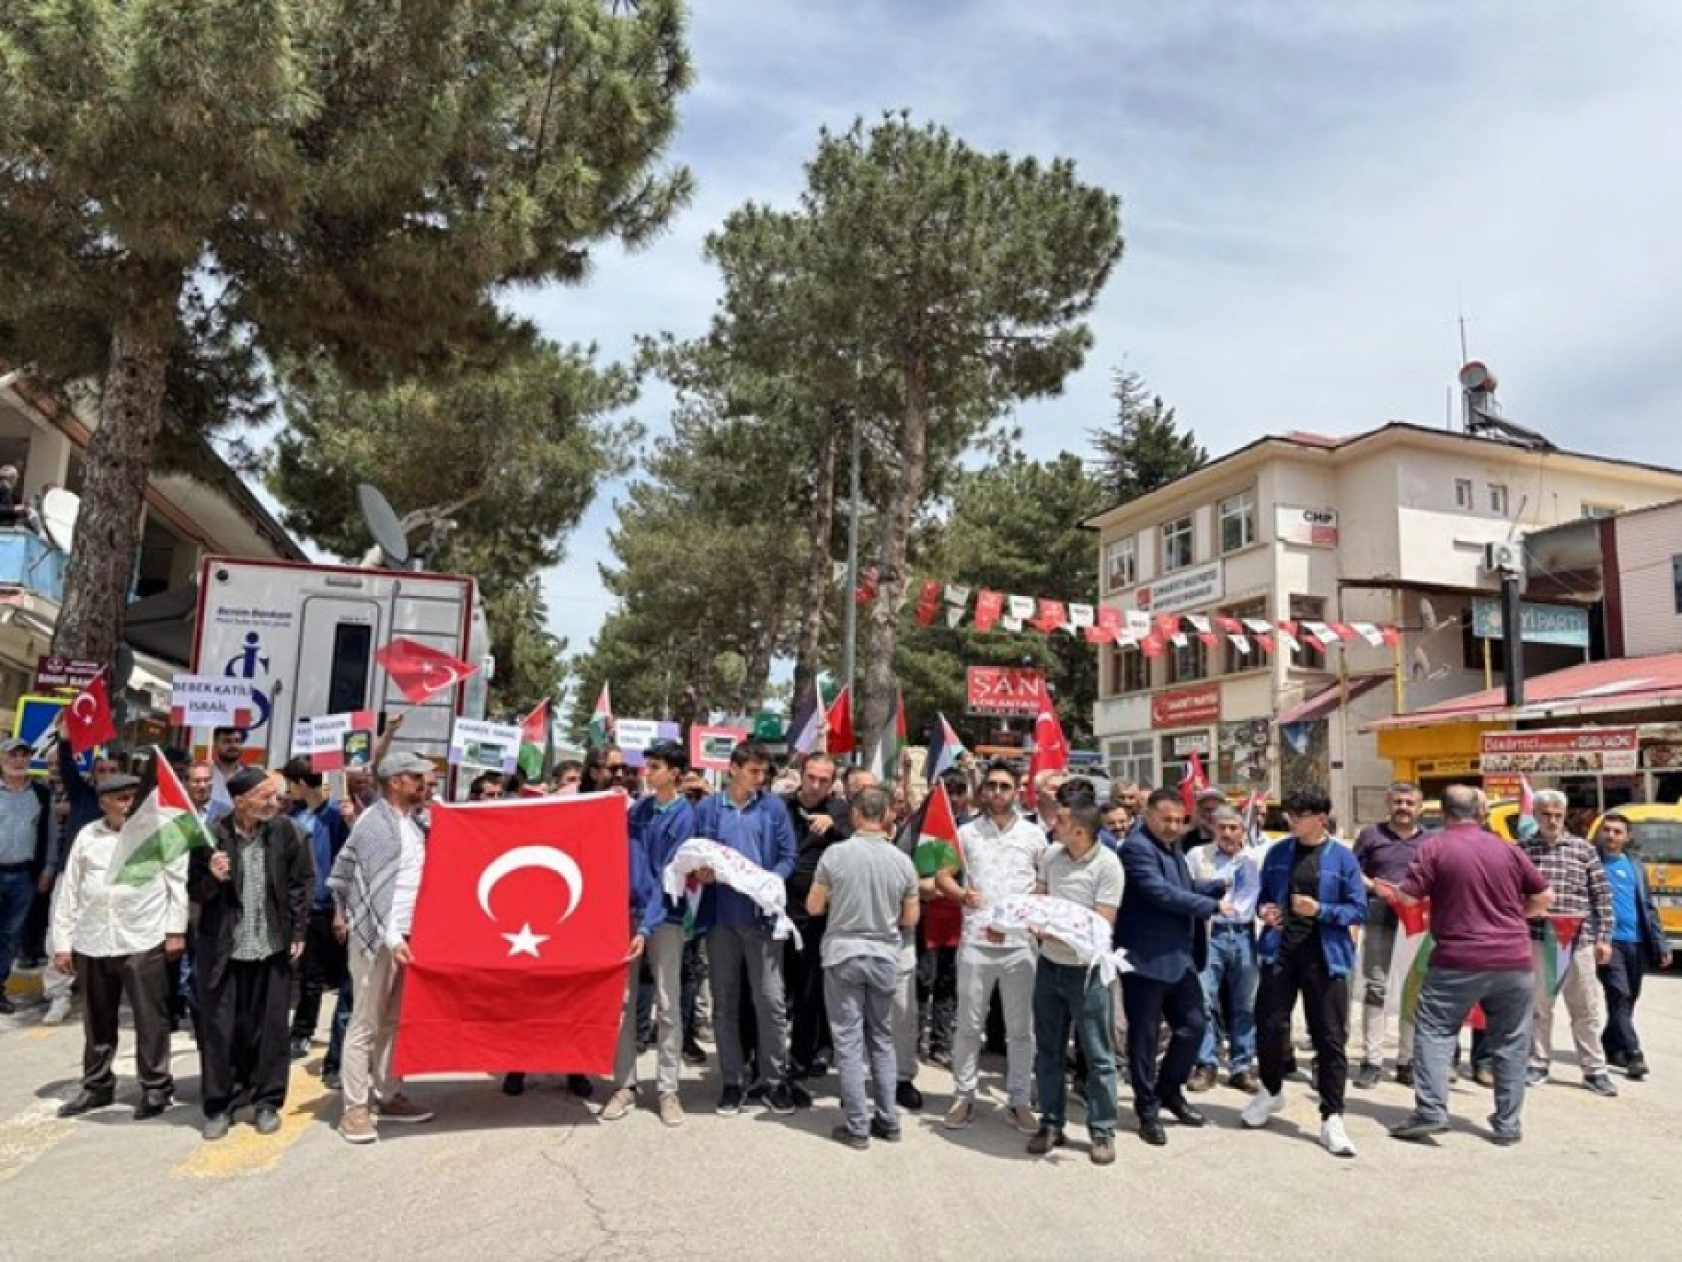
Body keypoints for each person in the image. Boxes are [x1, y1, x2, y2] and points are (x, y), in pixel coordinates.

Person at [1389, 785, 1553, 1147]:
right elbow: (1544, 897)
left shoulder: (1433, 847)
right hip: (1514, 959)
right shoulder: (1508, 848)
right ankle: (1508, 1124)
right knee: (1511, 1041)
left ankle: (1431, 1111)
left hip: (1456, 960)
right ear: (1479, 812)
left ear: (1443, 812)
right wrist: (1512, 919)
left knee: (1434, 1030)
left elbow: (1408, 895)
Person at [50, 775, 186, 1119]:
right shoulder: (87, 836)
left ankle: (155, 1087)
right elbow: (70, 891)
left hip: (142, 937)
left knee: (149, 1017)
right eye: (121, 798)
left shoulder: (158, 833)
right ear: (103, 803)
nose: (128, 804)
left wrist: (175, 931)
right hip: (94, 939)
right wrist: (63, 943)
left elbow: (177, 885)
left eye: (133, 797)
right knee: (97, 1020)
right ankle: (96, 1086)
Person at [1241, 786, 1366, 1157]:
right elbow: (1263, 895)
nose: (1290, 820)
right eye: (1289, 814)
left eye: (1298, 815)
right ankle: (1271, 1090)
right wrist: (1266, 910)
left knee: (1329, 1037)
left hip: (1325, 957)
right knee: (1268, 1024)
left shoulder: (1343, 858)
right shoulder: (1278, 852)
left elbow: (1358, 909)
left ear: (1320, 818)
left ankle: (1332, 1116)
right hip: (1280, 952)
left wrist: (1321, 911)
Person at [191, 766, 313, 1140]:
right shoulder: (210, 838)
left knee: (271, 1029)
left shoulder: (287, 833)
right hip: (225, 951)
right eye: (265, 796)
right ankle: (219, 1105)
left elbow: (300, 885)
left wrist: (297, 931)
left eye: (275, 795)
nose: (275, 802)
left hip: (271, 946)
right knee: (221, 1030)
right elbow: (194, 893)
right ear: (241, 801)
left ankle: (267, 1101)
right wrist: (212, 876)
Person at [328, 752, 437, 1144]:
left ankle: (389, 1094)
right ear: (395, 782)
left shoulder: (415, 823)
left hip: (409, 937)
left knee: (393, 1021)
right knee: (364, 1024)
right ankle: (355, 1108)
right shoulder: (374, 824)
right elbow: (368, 891)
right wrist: (391, 938)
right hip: (377, 938)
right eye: (416, 779)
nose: (423, 786)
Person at [807, 786, 920, 1149]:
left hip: (843, 952)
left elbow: (813, 907)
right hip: (885, 954)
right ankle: (888, 1119)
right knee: (882, 1039)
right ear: (887, 814)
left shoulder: (834, 856)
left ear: (855, 814)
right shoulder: (903, 861)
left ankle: (857, 1125)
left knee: (848, 1041)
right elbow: (911, 917)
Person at [1117, 789, 1231, 1147]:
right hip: (1146, 959)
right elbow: (1159, 892)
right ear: (1148, 815)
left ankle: (1169, 1090)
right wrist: (1209, 906)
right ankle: (1146, 1109)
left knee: (1194, 1027)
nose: (1172, 826)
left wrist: (1215, 886)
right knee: (1144, 1039)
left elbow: (1180, 885)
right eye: (1165, 819)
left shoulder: (1173, 847)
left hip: (1180, 958)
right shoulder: (1136, 848)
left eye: (1178, 821)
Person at [692, 740, 798, 1116]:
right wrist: (699, 872)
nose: (760, 778)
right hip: (720, 920)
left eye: (764, 773)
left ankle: (773, 1079)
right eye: (753, 771)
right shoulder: (707, 809)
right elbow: (696, 854)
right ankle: (732, 1081)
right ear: (733, 768)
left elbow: (789, 856)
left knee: (770, 1002)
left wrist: (773, 881)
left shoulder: (772, 808)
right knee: (724, 1003)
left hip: (763, 920)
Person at [941, 760, 1045, 1133]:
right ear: (982, 790)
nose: (997, 792)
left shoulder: (1035, 836)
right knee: (969, 1024)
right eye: (992, 786)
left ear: (1017, 790)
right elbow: (942, 876)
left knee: (1021, 1028)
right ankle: (964, 1094)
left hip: (1019, 945)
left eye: (1004, 786)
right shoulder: (966, 833)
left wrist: (1025, 917)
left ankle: (1018, 1099)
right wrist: (960, 894)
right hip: (976, 942)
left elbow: (1044, 883)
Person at [1028, 802, 1125, 1165]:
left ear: (1080, 832)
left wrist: (1051, 929)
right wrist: (1032, 917)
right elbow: (1038, 897)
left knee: (1099, 1054)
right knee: (1049, 1049)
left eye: (1061, 821)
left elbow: (1101, 924)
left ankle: (1102, 1131)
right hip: (1049, 965)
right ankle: (1051, 1123)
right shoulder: (1052, 856)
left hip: (1087, 972)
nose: (1053, 825)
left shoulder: (1108, 866)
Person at [1520, 790, 1616, 1095]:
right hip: (1537, 940)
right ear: (1535, 815)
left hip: (1580, 942)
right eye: (1546, 814)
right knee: (1539, 1007)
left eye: (1557, 815)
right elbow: (1512, 895)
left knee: (1585, 1007)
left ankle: (1594, 1069)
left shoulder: (1583, 850)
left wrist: (1604, 939)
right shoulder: (1522, 851)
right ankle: (1538, 1063)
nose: (1552, 820)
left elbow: (1602, 897)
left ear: (1565, 815)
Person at [623, 739, 699, 1126]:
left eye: (654, 766)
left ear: (674, 773)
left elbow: (667, 875)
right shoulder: (636, 811)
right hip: (629, 918)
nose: (646, 772)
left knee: (667, 1005)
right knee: (624, 1002)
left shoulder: (686, 816)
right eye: (646, 765)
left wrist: (648, 924)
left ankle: (668, 1090)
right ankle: (624, 1084)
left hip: (665, 919)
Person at [1352, 781, 1429, 1088]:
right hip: (1379, 918)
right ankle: (1371, 1060)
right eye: (1398, 802)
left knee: (1413, 990)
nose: (1404, 808)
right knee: (1376, 986)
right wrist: (1375, 886)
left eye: (1410, 803)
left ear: (1420, 807)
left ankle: (1406, 1060)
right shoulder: (1370, 836)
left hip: (1415, 923)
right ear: (1388, 803)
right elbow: (1352, 872)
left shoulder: (1431, 841)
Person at [782, 752, 851, 1080]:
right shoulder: (779, 806)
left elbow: (858, 840)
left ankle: (801, 1060)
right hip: (778, 912)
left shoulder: (841, 810)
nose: (816, 785)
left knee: (810, 992)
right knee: (774, 990)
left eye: (824, 779)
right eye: (811, 777)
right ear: (801, 774)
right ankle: (766, 1059)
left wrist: (834, 825)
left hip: (817, 918)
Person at [283, 758, 352, 1078]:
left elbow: (344, 862)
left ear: (300, 784)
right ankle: (302, 1030)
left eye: (290, 784)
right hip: (303, 907)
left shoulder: (335, 816)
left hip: (330, 906)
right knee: (308, 976)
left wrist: (340, 908)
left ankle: (341, 1046)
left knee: (340, 977)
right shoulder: (293, 816)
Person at [1186, 806, 1261, 1093]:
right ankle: (1206, 1063)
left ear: (1243, 830)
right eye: (1223, 827)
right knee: (1203, 1000)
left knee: (1245, 1003)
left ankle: (1242, 1066)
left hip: (1244, 934)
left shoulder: (1254, 858)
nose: (1228, 833)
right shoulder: (1197, 856)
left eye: (1234, 827)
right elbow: (1187, 890)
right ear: (1213, 829)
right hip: (1210, 933)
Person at [1594, 813, 1671, 1082]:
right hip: (1607, 942)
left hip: (1637, 942)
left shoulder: (1635, 866)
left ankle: (1610, 1044)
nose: (1611, 836)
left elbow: (1648, 907)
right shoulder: (1591, 863)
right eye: (1607, 831)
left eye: (1617, 832)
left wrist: (1662, 943)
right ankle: (1633, 1053)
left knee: (1629, 999)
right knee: (1620, 996)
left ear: (1627, 837)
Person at [0, 736, 52, 1015]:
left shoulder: (41, 795)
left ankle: (0, 988)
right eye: (13, 755)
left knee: (10, 935)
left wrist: (48, 868)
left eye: (24, 755)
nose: (19, 761)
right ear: (1, 760)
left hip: (23, 875)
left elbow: (50, 836)